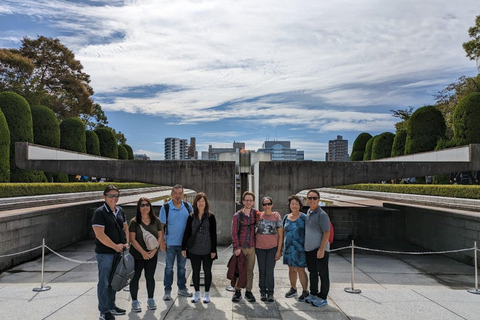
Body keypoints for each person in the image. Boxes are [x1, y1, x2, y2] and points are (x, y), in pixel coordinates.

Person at [92, 185, 129, 320]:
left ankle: (111, 306)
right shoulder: (100, 213)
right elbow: (100, 235)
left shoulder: (120, 210)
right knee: (104, 282)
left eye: (116, 195)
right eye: (111, 195)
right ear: (104, 197)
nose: (114, 198)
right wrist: (115, 246)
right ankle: (104, 310)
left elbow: (125, 227)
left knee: (114, 280)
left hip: (118, 253)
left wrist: (127, 243)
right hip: (105, 253)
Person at [181, 192, 218, 303]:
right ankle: (197, 293)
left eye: (203, 201)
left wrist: (213, 250)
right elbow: (187, 232)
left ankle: (206, 293)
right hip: (194, 249)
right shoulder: (191, 217)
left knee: (207, 271)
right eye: (199, 201)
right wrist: (184, 248)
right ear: (195, 203)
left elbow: (213, 234)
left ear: (206, 203)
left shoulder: (211, 217)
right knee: (195, 271)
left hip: (207, 249)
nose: (201, 203)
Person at [159, 184, 193, 300]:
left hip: (183, 245)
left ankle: (182, 289)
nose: (178, 196)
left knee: (182, 268)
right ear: (171, 194)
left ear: (183, 194)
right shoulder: (165, 208)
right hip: (170, 244)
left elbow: (192, 225)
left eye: (180, 193)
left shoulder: (188, 207)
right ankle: (167, 291)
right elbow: (161, 226)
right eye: (175, 193)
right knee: (168, 268)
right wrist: (162, 242)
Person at [128, 197, 162, 312]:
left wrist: (154, 251)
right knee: (135, 277)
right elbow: (132, 239)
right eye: (142, 205)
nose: (145, 207)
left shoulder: (156, 221)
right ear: (138, 207)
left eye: (147, 205)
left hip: (152, 255)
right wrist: (143, 252)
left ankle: (151, 299)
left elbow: (160, 236)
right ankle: (134, 301)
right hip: (137, 256)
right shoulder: (134, 222)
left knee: (150, 277)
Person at [304, 189, 330, 307]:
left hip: (320, 249)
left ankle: (323, 296)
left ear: (318, 200)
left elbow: (326, 232)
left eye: (315, 198)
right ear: (307, 200)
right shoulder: (308, 212)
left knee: (323, 274)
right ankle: (313, 293)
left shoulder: (322, 214)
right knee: (312, 272)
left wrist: (322, 248)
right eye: (310, 198)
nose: (312, 200)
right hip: (309, 249)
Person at [231, 191, 258, 303]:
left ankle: (248, 290)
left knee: (249, 270)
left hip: (252, 246)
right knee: (238, 270)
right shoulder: (237, 216)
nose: (248, 202)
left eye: (250, 200)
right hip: (240, 247)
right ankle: (237, 291)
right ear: (243, 201)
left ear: (253, 202)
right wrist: (236, 247)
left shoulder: (256, 214)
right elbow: (233, 232)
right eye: (246, 200)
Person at [255, 196, 283, 302]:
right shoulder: (258, 216)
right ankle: (262, 291)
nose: (267, 206)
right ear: (262, 206)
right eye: (265, 204)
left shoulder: (276, 216)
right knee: (262, 270)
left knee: (269, 271)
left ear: (272, 205)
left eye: (269, 204)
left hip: (272, 248)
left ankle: (270, 292)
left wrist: (279, 251)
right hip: (260, 247)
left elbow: (280, 235)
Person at [283, 195, 309, 301]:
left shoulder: (304, 217)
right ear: (289, 205)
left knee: (300, 269)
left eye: (296, 204)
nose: (294, 205)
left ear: (300, 206)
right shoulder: (286, 217)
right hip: (288, 248)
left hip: (300, 248)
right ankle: (293, 288)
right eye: (292, 203)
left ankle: (305, 291)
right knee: (291, 269)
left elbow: (309, 232)